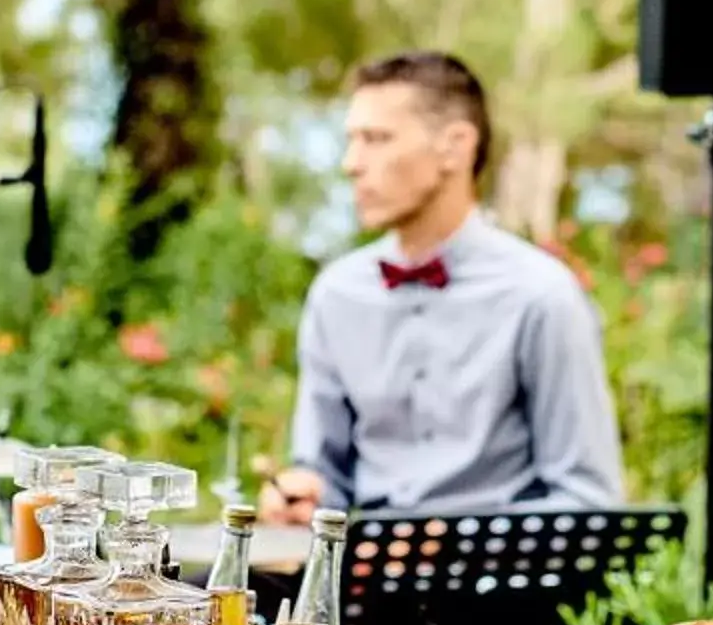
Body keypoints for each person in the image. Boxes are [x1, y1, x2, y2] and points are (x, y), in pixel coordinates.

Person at [264, 52, 624, 524]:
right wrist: (303, 494)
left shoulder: (541, 296)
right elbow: (325, 475)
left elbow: (586, 499)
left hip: (494, 584)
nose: (351, 164)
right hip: (362, 574)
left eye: (376, 139)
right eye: (351, 140)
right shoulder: (336, 295)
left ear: (455, 147)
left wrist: (463, 546)